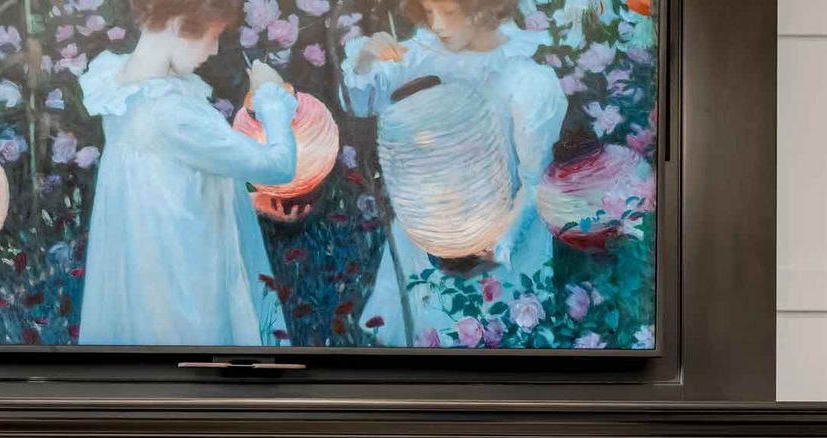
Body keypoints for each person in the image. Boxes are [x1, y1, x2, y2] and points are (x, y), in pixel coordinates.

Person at [342, 0, 567, 346]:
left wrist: (499, 243)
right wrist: (368, 56)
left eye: (448, 12)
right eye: (429, 12)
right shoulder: (419, 54)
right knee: (425, 329)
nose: (438, 25)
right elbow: (363, 102)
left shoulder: (525, 79)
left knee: (492, 336)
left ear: (484, 8)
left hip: (501, 229)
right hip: (429, 224)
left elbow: (535, 181)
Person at [77, 0, 300, 346]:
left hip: (145, 265)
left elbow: (169, 174)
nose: (212, 51)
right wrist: (271, 96)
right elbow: (278, 166)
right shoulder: (172, 113)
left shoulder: (120, 83)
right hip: (185, 274)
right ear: (180, 23)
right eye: (212, 36)